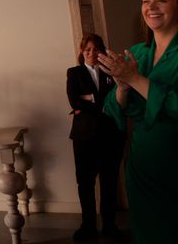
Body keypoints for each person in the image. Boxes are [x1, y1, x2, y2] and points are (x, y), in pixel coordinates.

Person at [101, 0, 178, 244]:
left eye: (161, 0)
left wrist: (135, 79)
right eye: (146, 1)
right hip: (142, 167)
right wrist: (122, 86)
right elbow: (114, 109)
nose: (151, 7)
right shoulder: (138, 53)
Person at [66, 33, 125, 241]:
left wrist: (90, 98)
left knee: (109, 182)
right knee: (85, 183)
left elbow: (118, 99)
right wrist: (98, 100)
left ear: (101, 51)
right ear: (82, 52)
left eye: (96, 49)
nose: (92, 53)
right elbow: (74, 102)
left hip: (111, 136)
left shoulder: (112, 73)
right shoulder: (74, 72)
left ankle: (110, 225)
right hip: (84, 137)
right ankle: (88, 226)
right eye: (88, 49)